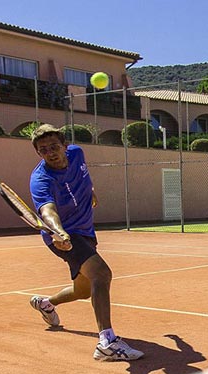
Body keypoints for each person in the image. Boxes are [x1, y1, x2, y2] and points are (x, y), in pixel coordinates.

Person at [28, 124, 143, 361]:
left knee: (83, 290)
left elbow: (83, 174)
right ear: (38, 153)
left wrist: (90, 190)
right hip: (64, 236)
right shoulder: (40, 179)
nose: (50, 152)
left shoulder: (77, 153)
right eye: (43, 149)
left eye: (54, 146)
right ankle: (107, 342)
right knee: (101, 274)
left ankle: (46, 304)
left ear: (64, 146)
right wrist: (59, 232)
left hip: (86, 231)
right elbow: (47, 210)